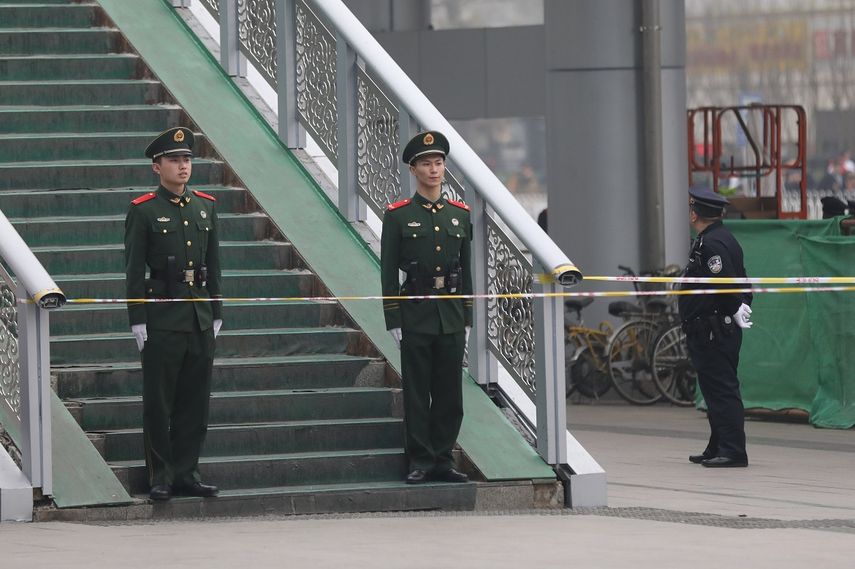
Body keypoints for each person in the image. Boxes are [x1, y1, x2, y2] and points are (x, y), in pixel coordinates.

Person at [124, 127, 223, 500]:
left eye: (186, 160)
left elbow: (214, 264)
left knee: (195, 403)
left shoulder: (205, 205)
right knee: (159, 401)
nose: (183, 167)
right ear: (157, 166)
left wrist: (217, 308)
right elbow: (134, 270)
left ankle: (187, 472)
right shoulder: (144, 209)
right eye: (174, 160)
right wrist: (137, 318)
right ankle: (160, 476)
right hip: (163, 317)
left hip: (198, 315)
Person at [380, 131, 472, 484]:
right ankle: (419, 459)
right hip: (415, 311)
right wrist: (393, 316)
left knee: (450, 392)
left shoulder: (458, 215)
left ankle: (443, 459)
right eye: (426, 164)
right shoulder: (399, 216)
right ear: (413, 170)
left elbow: (467, 270)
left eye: (438, 163)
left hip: (450, 313)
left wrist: (468, 314)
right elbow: (388, 269)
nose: (434, 170)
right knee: (418, 391)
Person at [678, 186, 753, 468]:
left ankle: (733, 450)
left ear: (695, 212)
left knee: (721, 390)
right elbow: (742, 279)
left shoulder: (712, 244)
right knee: (713, 390)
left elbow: (725, 283)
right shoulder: (721, 238)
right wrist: (744, 303)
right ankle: (718, 445)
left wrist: (737, 306)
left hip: (713, 331)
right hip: (712, 329)